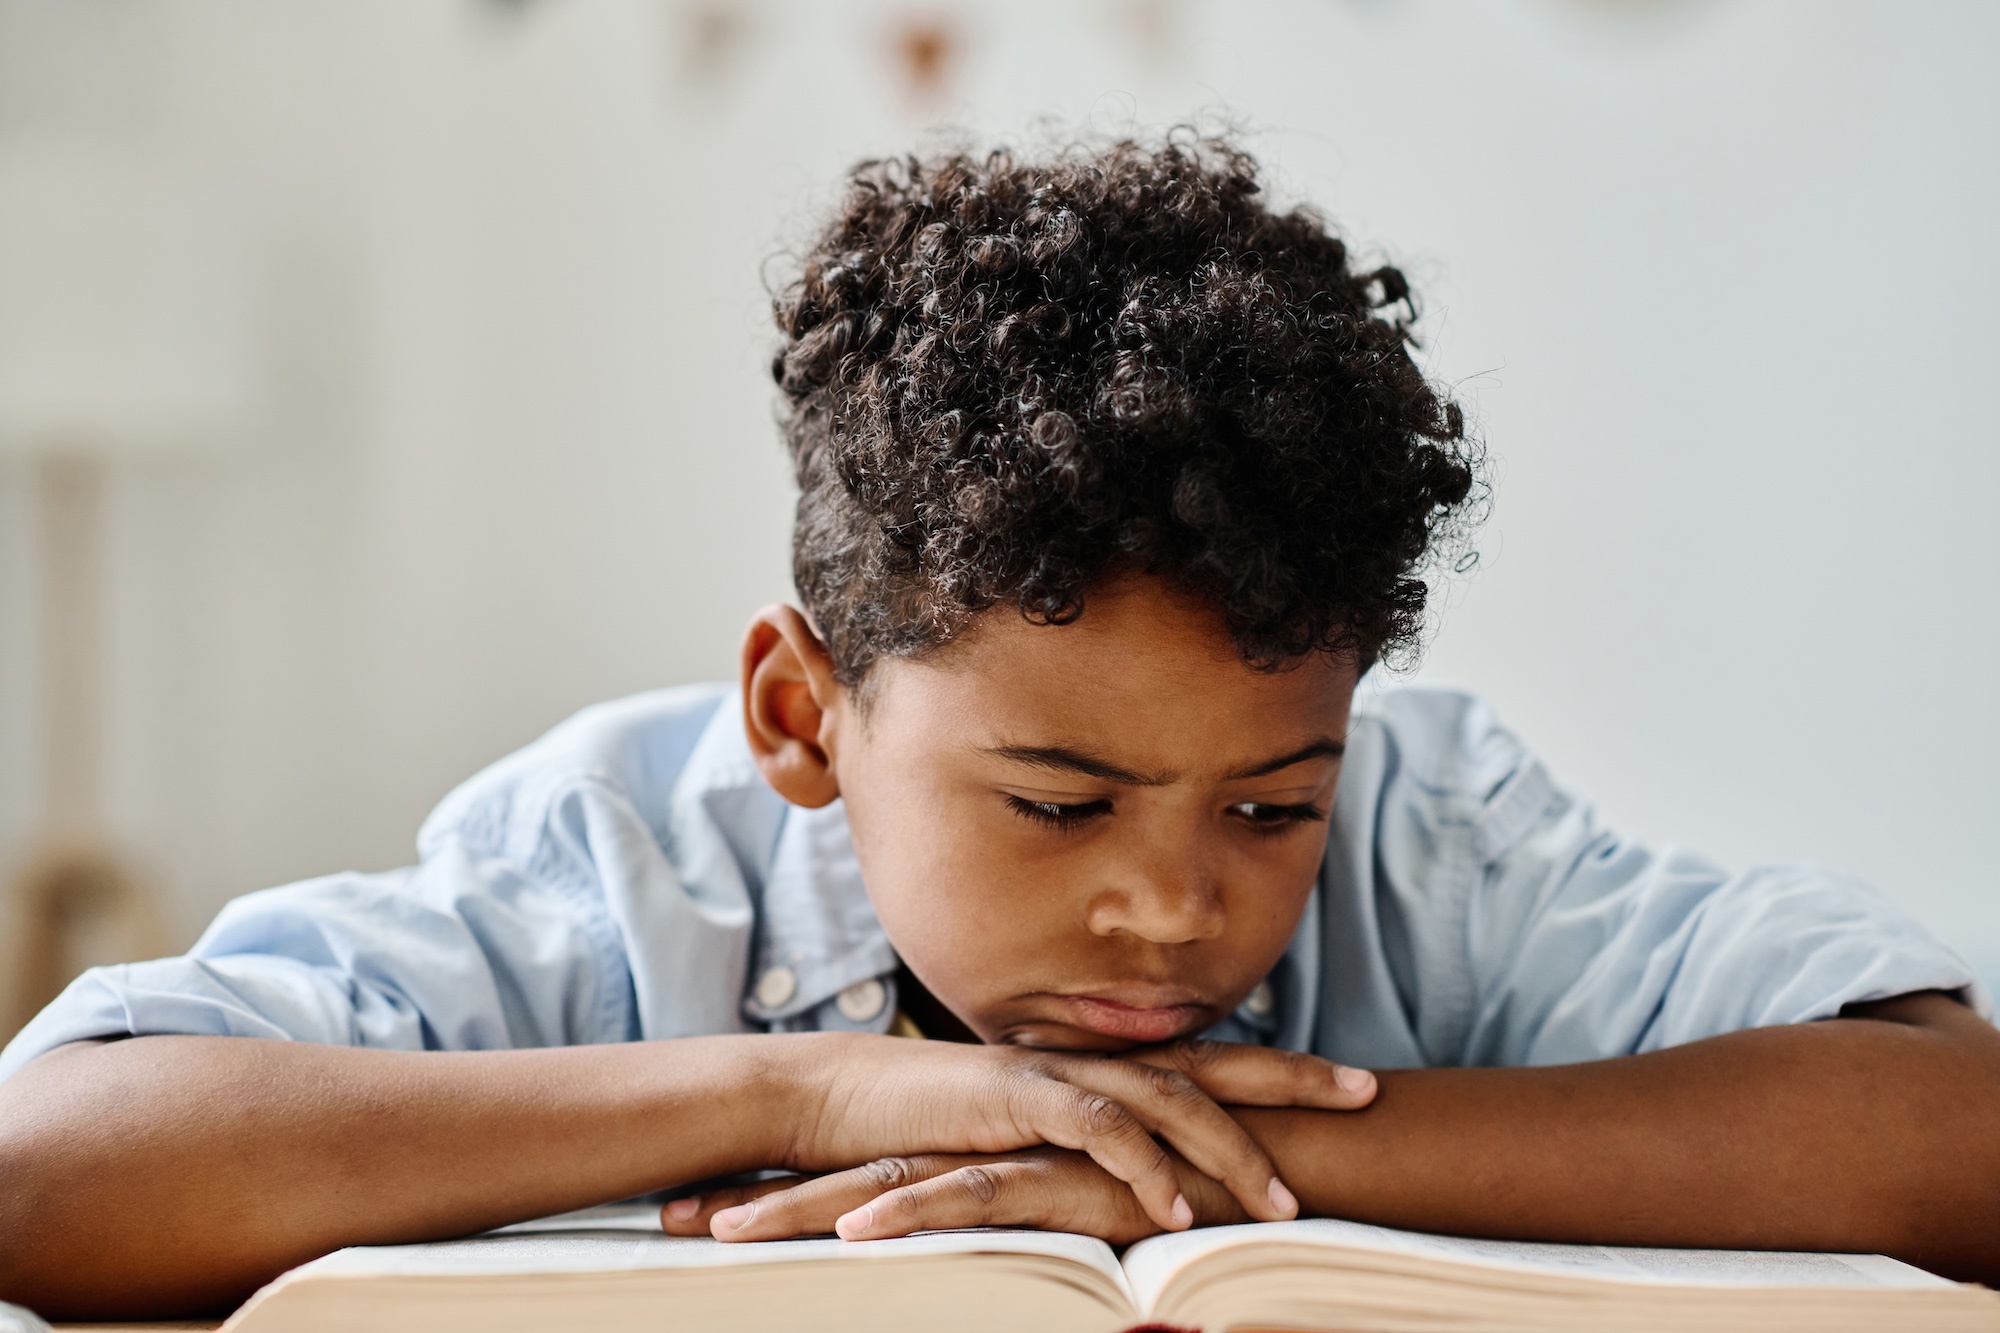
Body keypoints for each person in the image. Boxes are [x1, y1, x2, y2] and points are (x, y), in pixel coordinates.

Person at [2, 135, 1996, 1322]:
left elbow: (1954, 1127)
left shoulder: (1432, 827)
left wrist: (1213, 1167)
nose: (1172, 902)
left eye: (1272, 800)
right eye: (1056, 800)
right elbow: (50, 1165)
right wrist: (800, 1097)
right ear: (803, 713)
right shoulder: (623, 849)